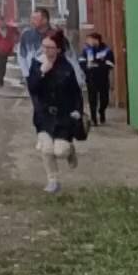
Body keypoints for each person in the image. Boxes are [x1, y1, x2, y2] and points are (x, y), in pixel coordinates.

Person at [26, 29, 85, 194]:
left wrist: (78, 111)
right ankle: (53, 181)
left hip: (63, 115)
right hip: (44, 115)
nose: (46, 50)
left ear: (58, 49)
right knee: (46, 149)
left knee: (60, 151)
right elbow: (32, 88)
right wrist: (41, 72)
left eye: (50, 47)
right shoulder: (37, 64)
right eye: (44, 46)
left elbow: (76, 93)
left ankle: (70, 151)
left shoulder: (66, 67)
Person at [80, 30, 115, 126]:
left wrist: (98, 66)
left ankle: (101, 111)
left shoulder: (106, 51)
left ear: (96, 40)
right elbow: (81, 62)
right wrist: (86, 68)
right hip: (91, 78)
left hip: (103, 78)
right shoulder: (86, 50)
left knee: (104, 99)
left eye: (89, 39)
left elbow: (111, 64)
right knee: (92, 99)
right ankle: (93, 118)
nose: (88, 41)